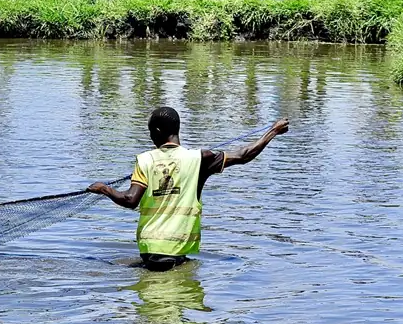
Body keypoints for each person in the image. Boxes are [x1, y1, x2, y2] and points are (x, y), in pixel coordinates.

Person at [88, 108, 290, 269]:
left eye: (150, 132)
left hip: (149, 248)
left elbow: (130, 200)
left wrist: (105, 189)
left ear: (157, 132)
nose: (150, 137)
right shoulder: (200, 159)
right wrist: (273, 131)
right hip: (175, 249)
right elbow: (244, 155)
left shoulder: (145, 160)